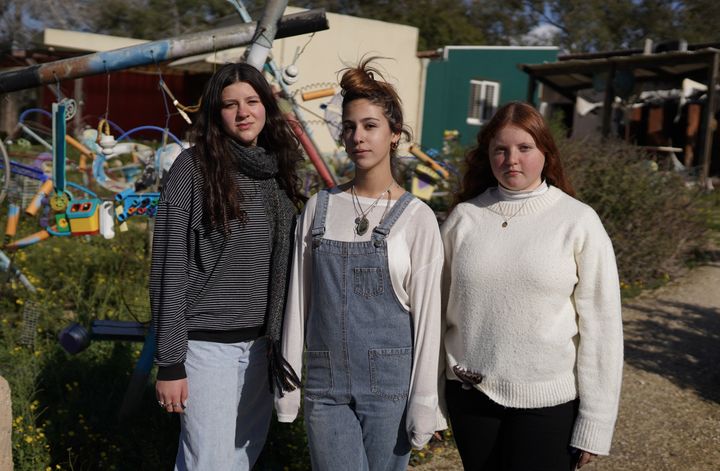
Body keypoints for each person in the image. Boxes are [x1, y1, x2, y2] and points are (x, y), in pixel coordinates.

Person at [275, 58, 447, 470]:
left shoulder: (417, 218)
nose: (358, 136)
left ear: (394, 136)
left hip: (390, 389)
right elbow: (299, 303)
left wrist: (425, 402)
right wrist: (289, 382)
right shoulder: (319, 207)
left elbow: (428, 323)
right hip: (323, 385)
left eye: (370, 126)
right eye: (349, 126)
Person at [441, 101, 623, 470]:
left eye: (524, 148)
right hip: (471, 399)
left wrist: (596, 423)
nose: (512, 159)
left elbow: (602, 329)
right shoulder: (464, 219)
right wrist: (432, 399)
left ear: (545, 152)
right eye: (501, 150)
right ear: (488, 155)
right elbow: (436, 313)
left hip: (548, 406)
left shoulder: (578, 221)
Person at [150, 62, 304, 470]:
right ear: (215, 114)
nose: (243, 113)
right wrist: (170, 362)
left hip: (261, 346)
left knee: (239, 459)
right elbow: (167, 268)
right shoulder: (192, 168)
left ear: (266, 107)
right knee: (209, 462)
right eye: (229, 104)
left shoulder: (277, 170)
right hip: (206, 348)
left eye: (252, 101)